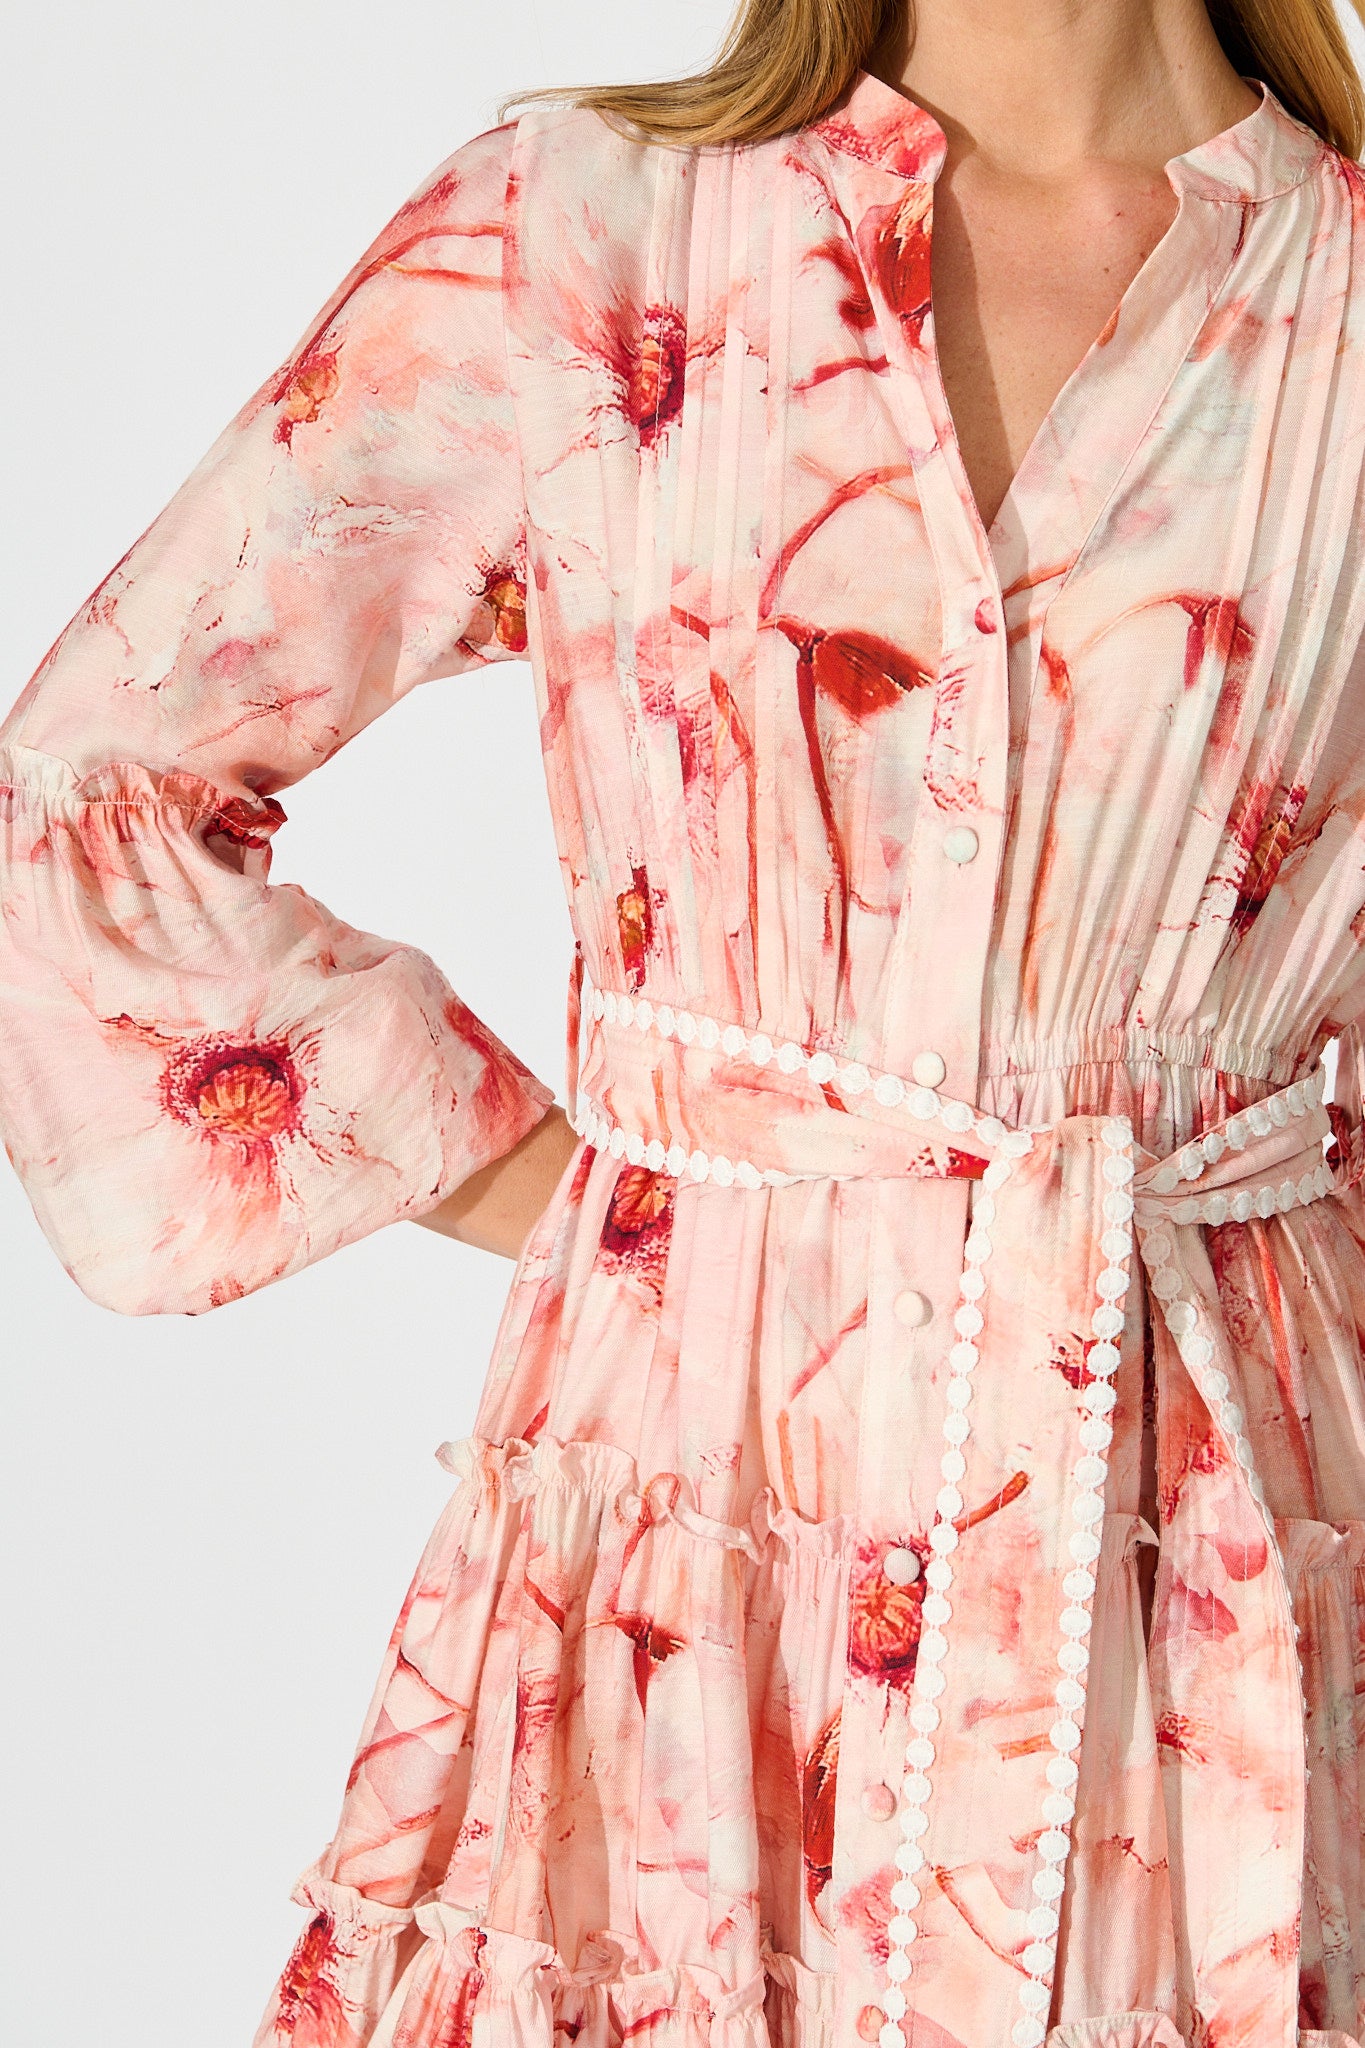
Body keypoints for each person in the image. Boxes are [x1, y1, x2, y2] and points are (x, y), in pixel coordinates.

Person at [4, 0, 1365, 2039]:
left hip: (1210, 1550)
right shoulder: (585, 233)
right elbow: (76, 797)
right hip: (688, 1525)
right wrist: (573, 1178)